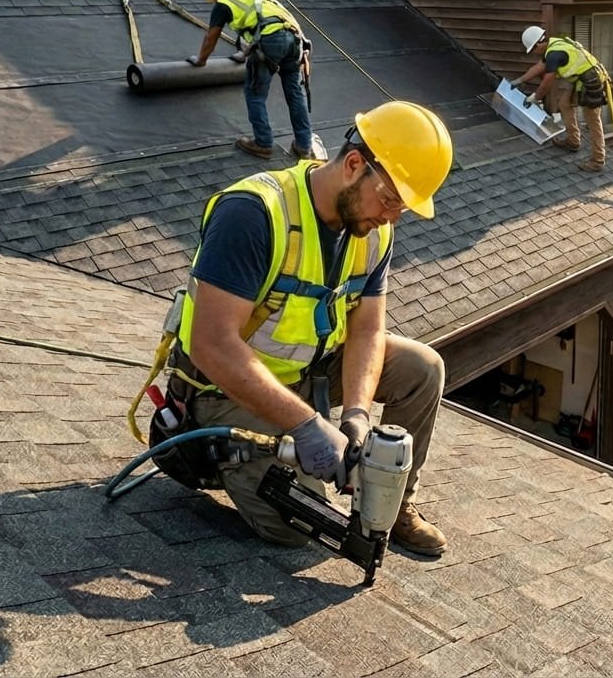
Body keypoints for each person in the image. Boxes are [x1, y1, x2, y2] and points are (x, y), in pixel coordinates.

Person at [164, 100, 454, 556]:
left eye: (402, 207)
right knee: (299, 525)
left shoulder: (373, 232)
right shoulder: (254, 213)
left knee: (422, 367)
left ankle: (391, 505)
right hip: (224, 389)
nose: (392, 216)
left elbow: (367, 332)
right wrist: (306, 426)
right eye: (390, 200)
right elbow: (211, 345)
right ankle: (223, 456)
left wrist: (356, 415)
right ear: (354, 164)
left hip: (307, 375)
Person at [187, 0, 314, 161]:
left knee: (255, 93)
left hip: (271, 40)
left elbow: (211, 37)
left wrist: (201, 60)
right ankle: (304, 147)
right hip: (296, 40)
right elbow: (262, 21)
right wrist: (245, 53)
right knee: (295, 94)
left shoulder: (224, 3)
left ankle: (263, 143)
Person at [513, 25, 609, 173]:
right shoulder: (553, 45)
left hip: (592, 82)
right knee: (564, 104)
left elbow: (547, 83)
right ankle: (573, 141)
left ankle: (598, 160)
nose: (534, 53)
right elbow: (538, 67)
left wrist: (535, 97)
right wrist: (520, 80)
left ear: (539, 44)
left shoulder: (554, 54)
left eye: (533, 50)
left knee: (592, 120)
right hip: (579, 79)